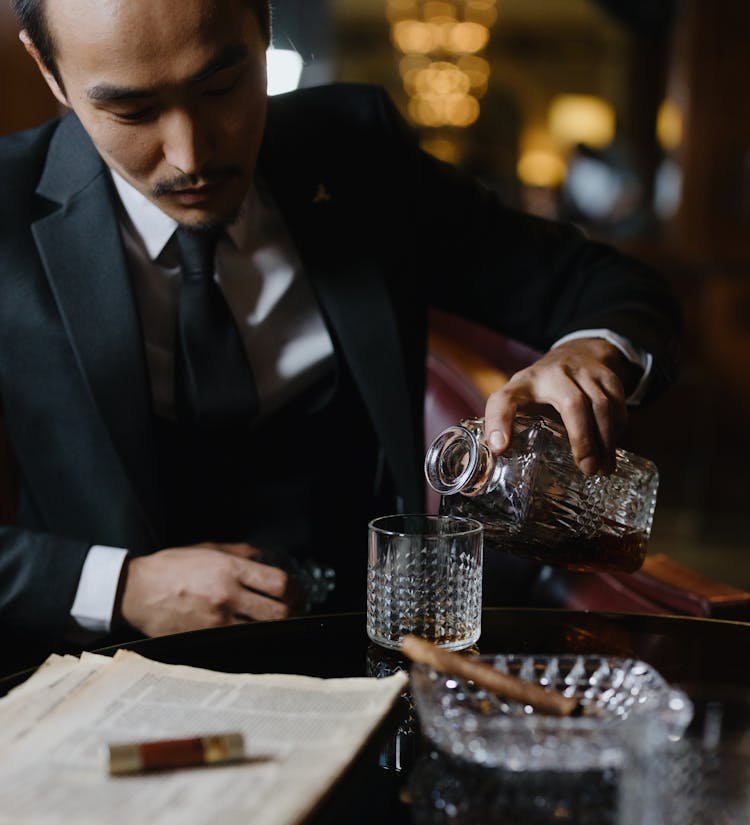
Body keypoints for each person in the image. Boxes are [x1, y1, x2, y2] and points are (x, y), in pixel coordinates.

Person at [0, 0, 681, 659]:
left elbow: (611, 286)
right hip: (107, 681)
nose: (190, 154)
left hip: (369, 658)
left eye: (222, 85)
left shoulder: (357, 153)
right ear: (48, 69)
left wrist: (590, 354)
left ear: (265, 28)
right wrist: (116, 586)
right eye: (132, 110)